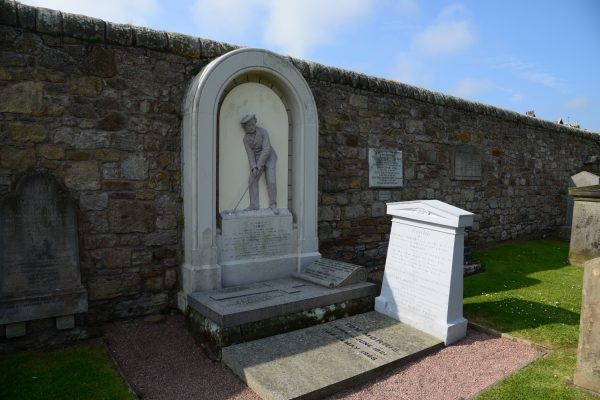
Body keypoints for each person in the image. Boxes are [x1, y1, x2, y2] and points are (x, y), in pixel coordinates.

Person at [240, 114, 279, 214]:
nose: (251, 127)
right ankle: (254, 205)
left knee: (271, 181)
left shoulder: (263, 132)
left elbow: (266, 149)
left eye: (253, 124)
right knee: (252, 180)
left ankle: (273, 204)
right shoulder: (246, 139)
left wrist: (259, 165)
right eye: (248, 126)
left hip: (269, 157)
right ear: (245, 127)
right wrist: (254, 167)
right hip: (257, 160)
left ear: (255, 123)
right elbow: (250, 155)